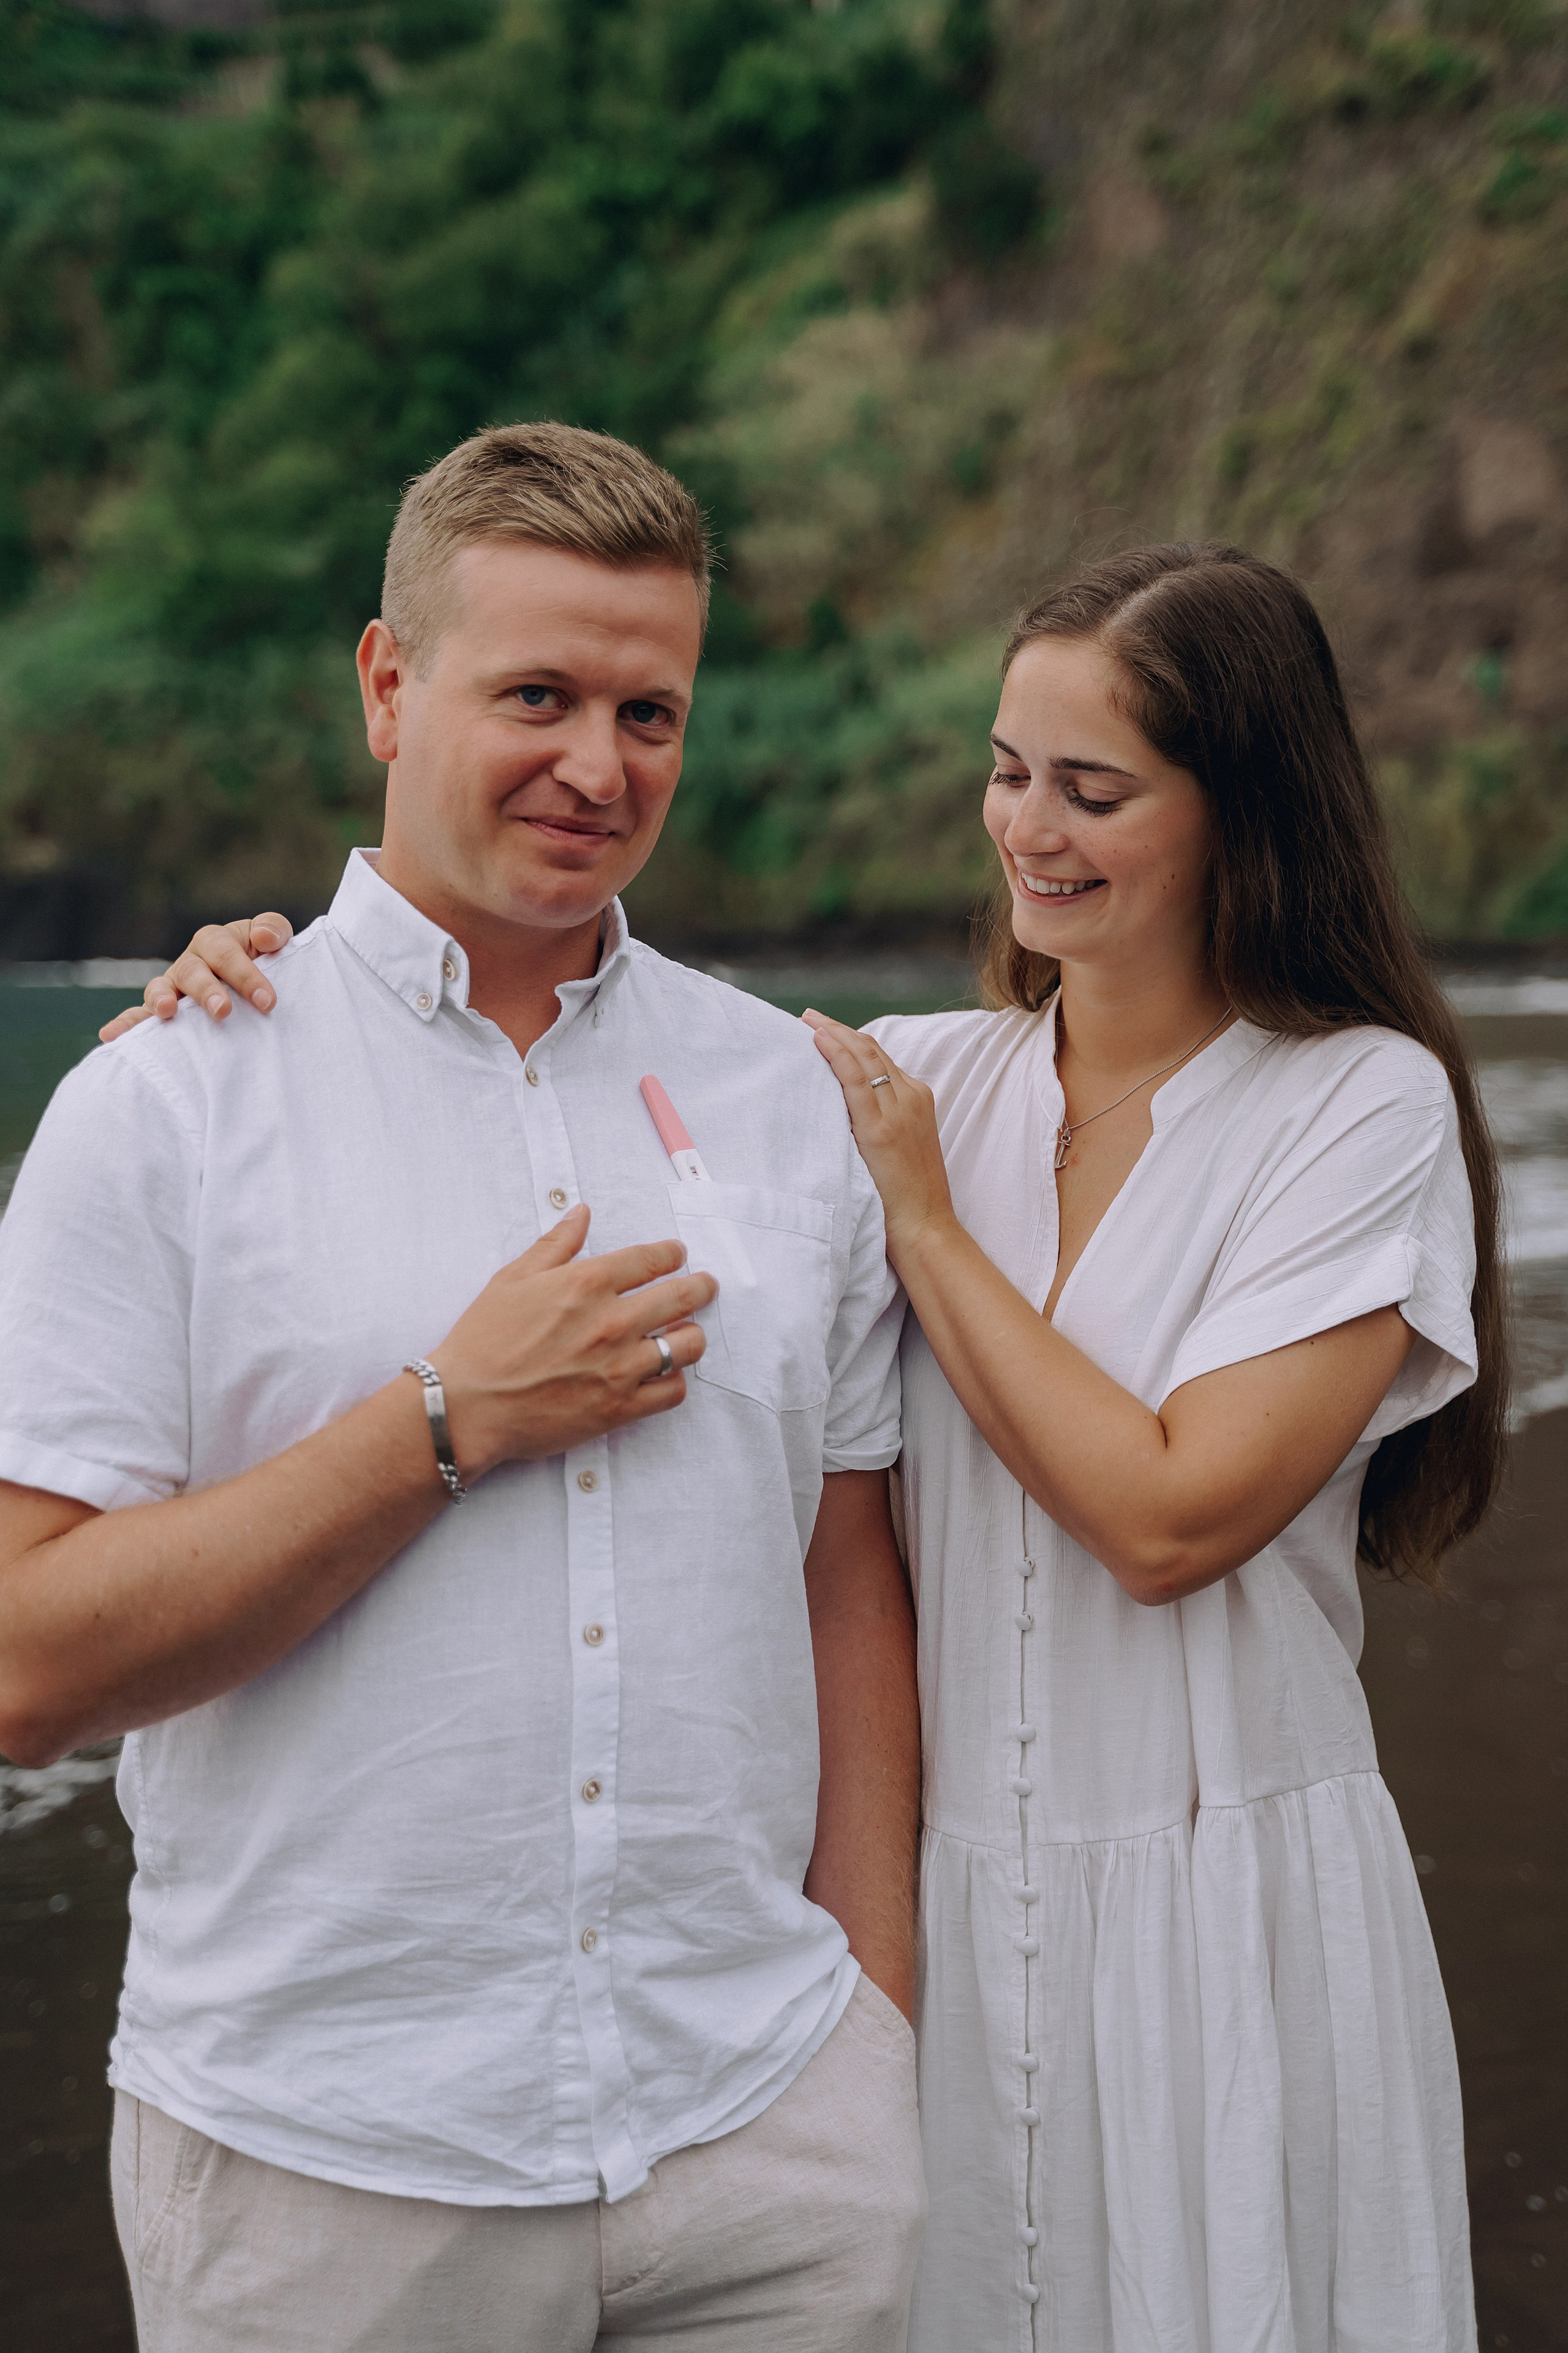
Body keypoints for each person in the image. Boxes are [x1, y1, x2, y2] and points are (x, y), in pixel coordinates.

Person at [110, 542, 1505, 2352]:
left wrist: (927, 1221)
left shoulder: (1353, 1105)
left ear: (1245, 809)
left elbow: (1172, 1515)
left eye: (1095, 790)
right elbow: (564, 1053)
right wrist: (248, 1003)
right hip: (938, 1912)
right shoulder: (904, 1073)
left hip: (1218, 1898)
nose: (1032, 830)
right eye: (1009, 773)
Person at [0, 422, 925, 2353]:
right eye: (539, 694)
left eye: (650, 709)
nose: (600, 765)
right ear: (386, 684)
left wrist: (877, 2027)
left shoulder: (792, 1094)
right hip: (328, 2160)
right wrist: (441, 1422)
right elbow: (25, 1668)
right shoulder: (166, 1104)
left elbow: (846, 1567)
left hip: (767, 2141)